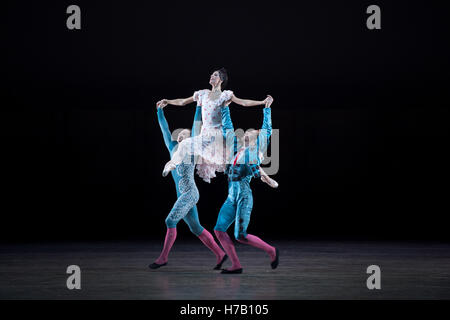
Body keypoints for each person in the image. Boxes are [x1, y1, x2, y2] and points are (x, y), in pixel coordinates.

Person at [157, 68, 273, 183]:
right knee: (185, 144)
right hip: (206, 135)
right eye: (211, 74)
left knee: (240, 154)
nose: (211, 76)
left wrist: (262, 102)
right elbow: (182, 102)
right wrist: (168, 101)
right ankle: (172, 163)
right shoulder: (202, 94)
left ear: (221, 80)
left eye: (215, 75)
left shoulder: (225, 95)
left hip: (219, 136)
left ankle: (264, 176)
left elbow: (243, 102)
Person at [149, 103, 227, 270]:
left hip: (190, 193)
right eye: (179, 134)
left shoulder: (192, 148)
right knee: (195, 227)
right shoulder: (172, 148)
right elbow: (165, 129)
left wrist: (199, 106)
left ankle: (163, 258)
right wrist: (159, 111)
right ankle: (221, 254)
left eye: (185, 134)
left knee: (170, 220)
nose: (180, 136)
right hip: (183, 194)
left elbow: (196, 125)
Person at [213, 98, 279, 274]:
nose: (247, 133)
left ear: (258, 137)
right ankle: (236, 264)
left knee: (240, 235)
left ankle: (272, 250)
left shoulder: (255, 150)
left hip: (243, 195)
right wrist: (225, 109)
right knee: (219, 230)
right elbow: (228, 130)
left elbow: (266, 131)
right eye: (246, 132)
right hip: (231, 196)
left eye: (252, 132)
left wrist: (267, 110)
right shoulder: (238, 148)